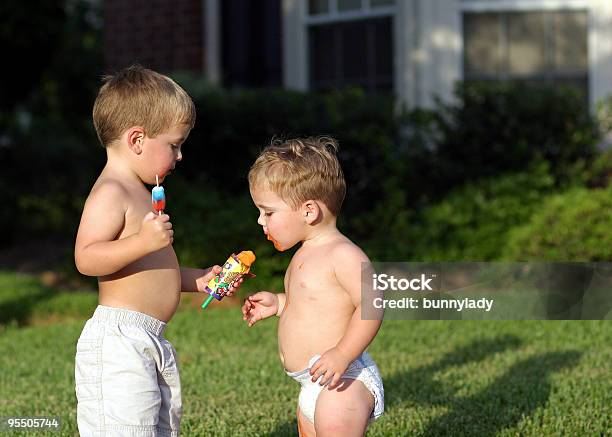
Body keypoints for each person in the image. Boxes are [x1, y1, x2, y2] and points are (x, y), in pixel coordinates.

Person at [74, 65, 240, 436]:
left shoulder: (143, 193)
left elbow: (151, 270)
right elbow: (85, 257)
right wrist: (142, 241)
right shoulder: (111, 192)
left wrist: (199, 280)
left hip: (150, 337)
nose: (180, 156)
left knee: (156, 427)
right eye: (174, 145)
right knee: (126, 427)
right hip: (119, 341)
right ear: (137, 140)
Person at [242, 137, 384, 436]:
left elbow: (372, 303)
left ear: (309, 211)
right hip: (312, 383)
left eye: (268, 212)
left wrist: (343, 353)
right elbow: (311, 305)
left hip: (344, 378)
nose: (260, 221)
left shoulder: (342, 254)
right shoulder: (303, 254)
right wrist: (279, 303)